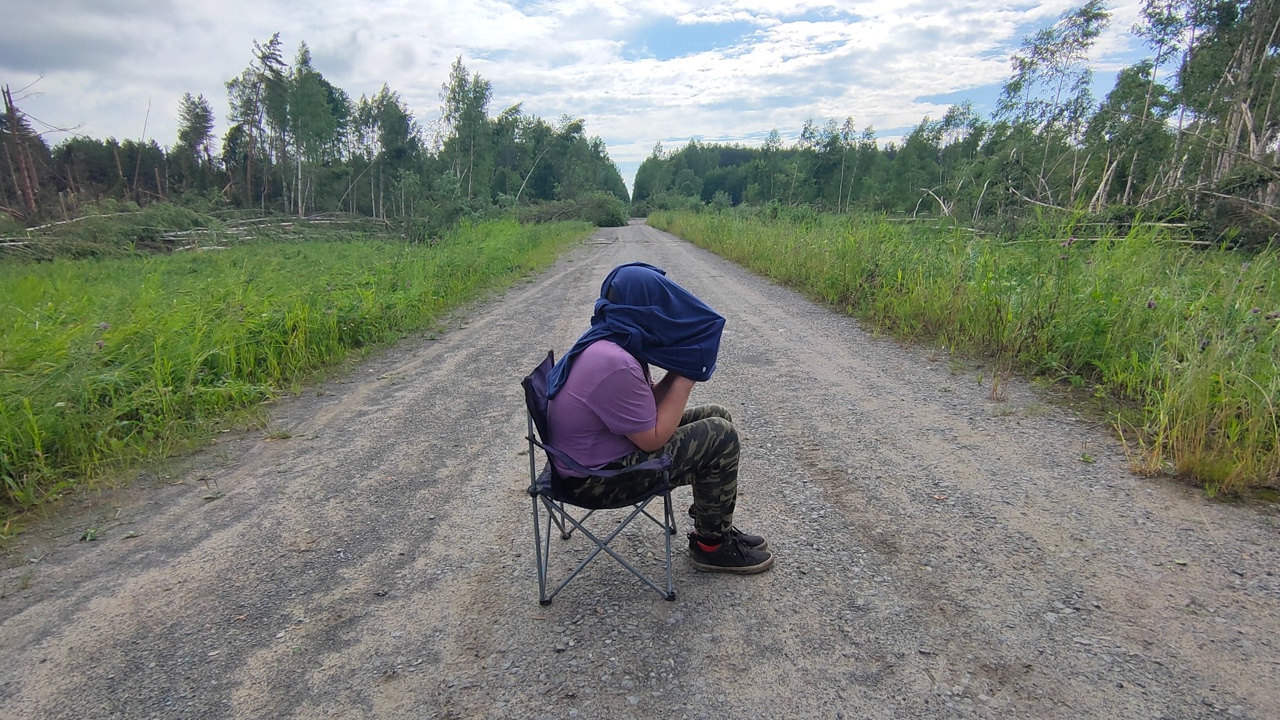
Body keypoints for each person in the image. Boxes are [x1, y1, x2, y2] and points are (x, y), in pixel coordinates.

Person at [546, 262, 773, 574]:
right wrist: (688, 376)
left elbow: (646, 405)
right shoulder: (615, 362)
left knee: (717, 415)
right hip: (595, 479)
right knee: (721, 436)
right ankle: (712, 547)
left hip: (596, 456)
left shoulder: (612, 337)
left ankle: (712, 521)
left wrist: (678, 368)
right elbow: (653, 437)